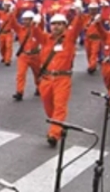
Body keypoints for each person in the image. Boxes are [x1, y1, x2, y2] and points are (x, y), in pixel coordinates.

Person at [33, 10, 84, 147]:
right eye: (53, 24)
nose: (56, 27)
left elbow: (78, 26)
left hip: (62, 78)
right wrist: (35, 22)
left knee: (60, 106)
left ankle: (54, 134)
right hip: (47, 78)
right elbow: (35, 32)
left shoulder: (69, 38)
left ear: (65, 26)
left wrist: (79, 14)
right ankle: (58, 126)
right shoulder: (45, 39)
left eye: (60, 24)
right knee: (48, 105)